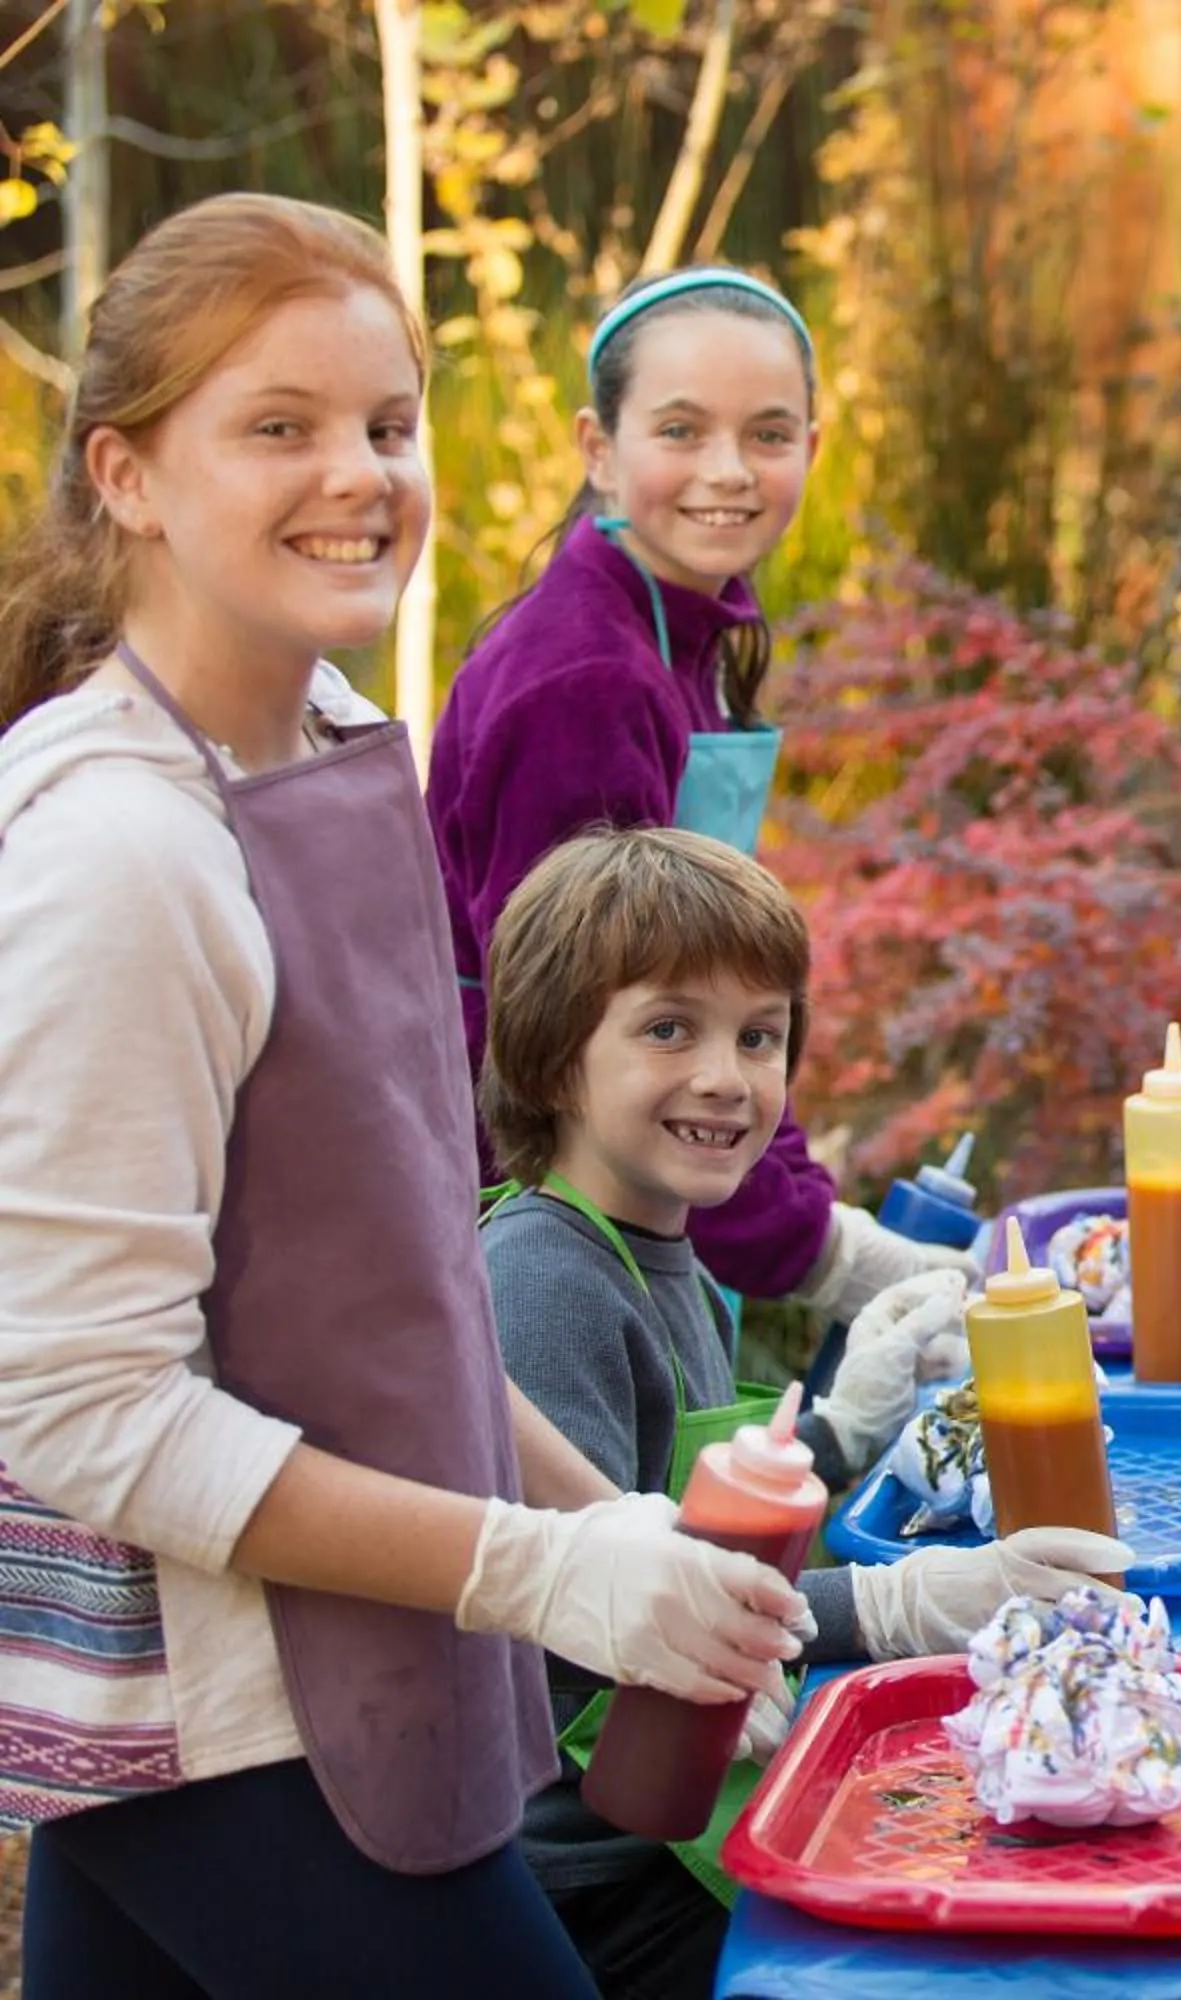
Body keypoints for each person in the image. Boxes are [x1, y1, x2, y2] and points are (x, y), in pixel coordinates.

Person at [0, 194, 806, 1997]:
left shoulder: (342, 745)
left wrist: (609, 1526)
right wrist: (540, 1573)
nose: (357, 475)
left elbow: (404, 1288)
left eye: (383, 423)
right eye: (275, 427)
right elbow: (83, 1410)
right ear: (126, 476)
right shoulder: (121, 849)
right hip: (224, 1708)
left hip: (368, 1644)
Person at [476, 825, 1131, 1997]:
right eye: (669, 1026)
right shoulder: (547, 1280)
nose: (728, 1074)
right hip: (611, 1873)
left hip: (701, 1793)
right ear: (552, 1051)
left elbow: (687, 1517)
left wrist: (844, 1425)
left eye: (760, 1033)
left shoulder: (663, 1251)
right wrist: (897, 1603)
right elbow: (586, 1616)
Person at [427, 264, 969, 1321]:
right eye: (680, 430)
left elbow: (714, 982)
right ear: (598, 446)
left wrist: (807, 1204)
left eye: (767, 435)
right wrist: (820, 1251)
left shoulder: (683, 628)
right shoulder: (583, 680)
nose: (727, 471)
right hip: (543, 1226)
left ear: (811, 448)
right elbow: (599, 1035)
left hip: (643, 1188)